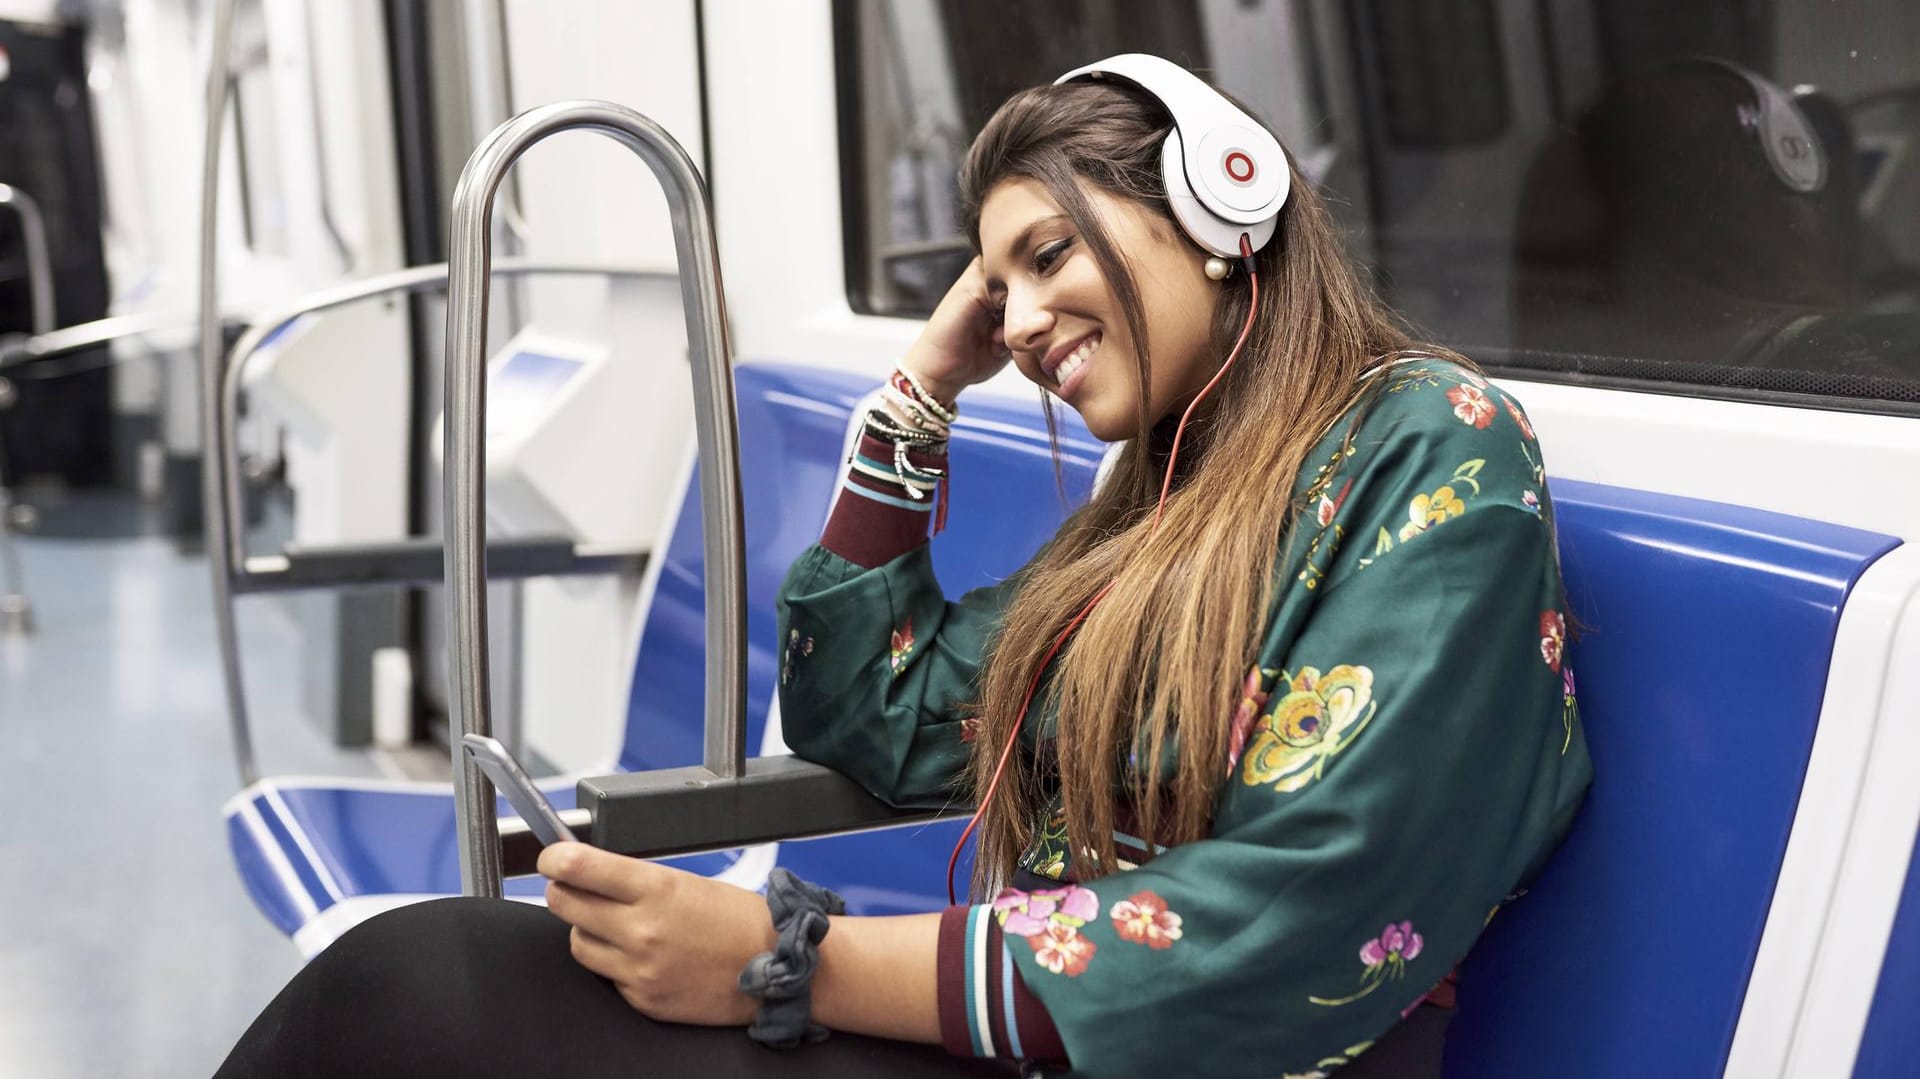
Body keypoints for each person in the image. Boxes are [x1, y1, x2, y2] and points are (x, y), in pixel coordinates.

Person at [217, 55, 1590, 1079]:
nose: (1026, 321)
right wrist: (925, 387)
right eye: (998, 293)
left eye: (1049, 255)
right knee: (424, 982)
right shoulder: (1164, 502)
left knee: (433, 997)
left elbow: (1313, 903)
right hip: (1030, 1051)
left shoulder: (1430, 444)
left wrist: (784, 959)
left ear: (1227, 203)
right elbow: (871, 710)